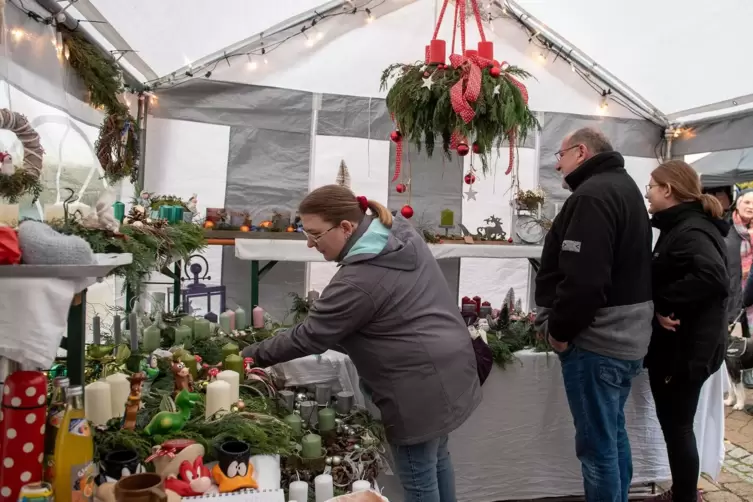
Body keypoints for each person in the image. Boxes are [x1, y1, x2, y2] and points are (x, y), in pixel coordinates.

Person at [242, 185, 481, 502]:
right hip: (448, 366)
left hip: (416, 386)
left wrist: (250, 355)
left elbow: (311, 335)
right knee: (437, 461)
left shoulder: (360, 279)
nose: (310, 244)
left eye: (315, 234)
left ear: (345, 227)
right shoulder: (398, 232)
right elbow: (389, 317)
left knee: (420, 480)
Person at [534, 128, 653, 502]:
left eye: (561, 155)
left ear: (581, 152)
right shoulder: (624, 187)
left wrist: (559, 331)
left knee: (598, 449)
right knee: (613, 436)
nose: (557, 163)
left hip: (598, 342)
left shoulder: (593, 195)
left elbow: (584, 280)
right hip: (625, 339)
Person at [643, 161, 728, 502]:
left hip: (686, 349)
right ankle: (683, 491)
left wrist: (663, 300)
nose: (647, 191)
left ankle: (685, 496)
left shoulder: (691, 229)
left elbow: (713, 279)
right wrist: (661, 307)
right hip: (686, 346)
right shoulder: (681, 225)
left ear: (668, 189)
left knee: (678, 427)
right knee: (677, 426)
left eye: (652, 185)